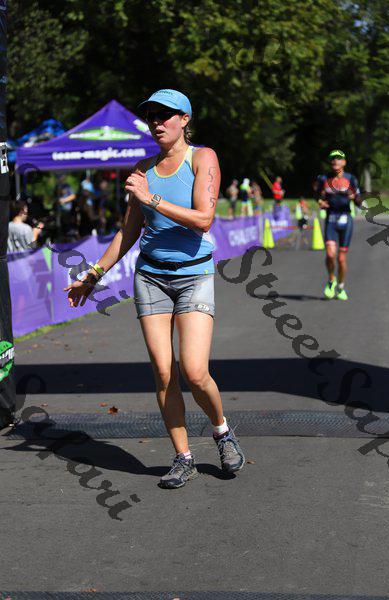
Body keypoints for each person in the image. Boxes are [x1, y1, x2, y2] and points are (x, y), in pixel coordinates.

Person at [63, 89, 245, 489]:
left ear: (184, 119)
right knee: (164, 373)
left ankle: (221, 431)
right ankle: (183, 458)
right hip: (151, 278)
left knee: (194, 371)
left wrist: (152, 199)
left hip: (194, 274)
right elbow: (128, 231)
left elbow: (204, 219)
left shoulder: (203, 158)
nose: (157, 122)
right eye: (151, 116)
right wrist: (93, 275)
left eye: (165, 115)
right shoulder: (142, 168)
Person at [315, 149, 361, 300]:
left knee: (341, 259)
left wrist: (354, 197)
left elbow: (360, 202)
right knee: (330, 255)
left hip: (346, 221)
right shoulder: (323, 178)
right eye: (333, 158)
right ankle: (331, 280)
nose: (335, 161)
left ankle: (341, 287)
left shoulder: (351, 179)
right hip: (331, 220)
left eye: (338, 158)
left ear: (344, 162)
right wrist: (321, 202)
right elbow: (318, 196)